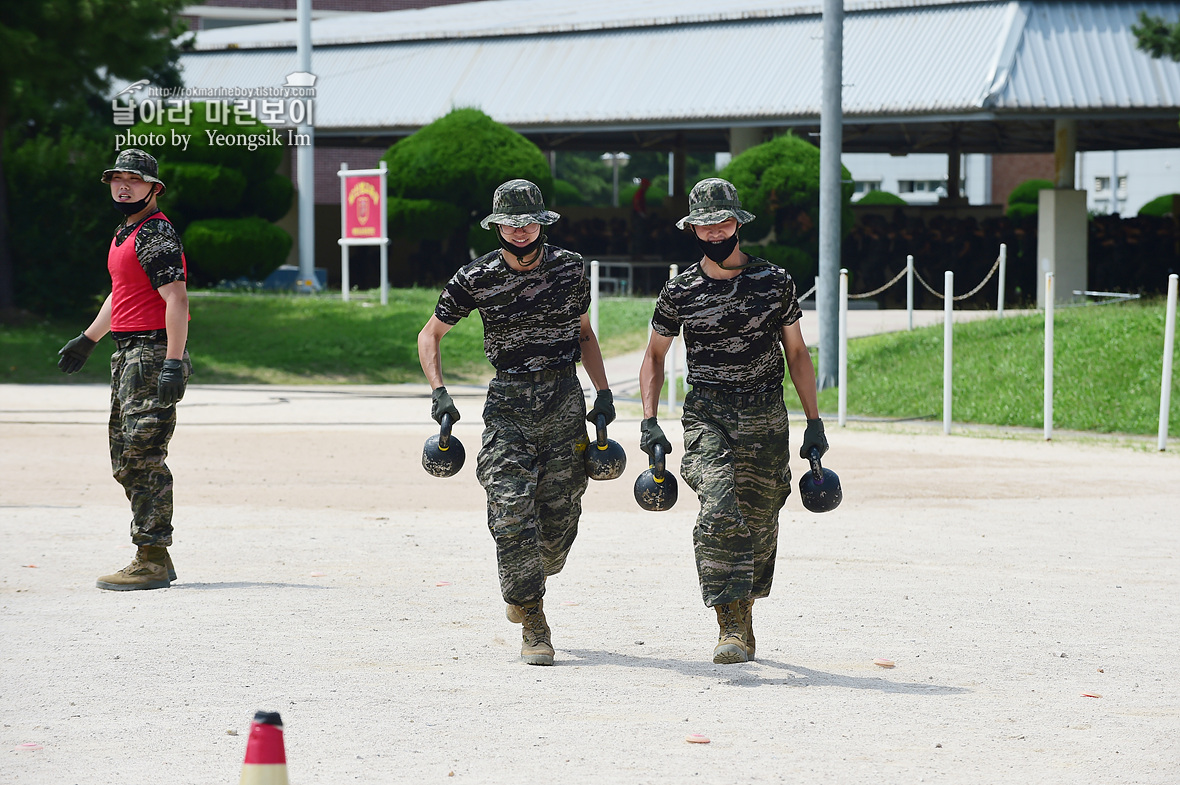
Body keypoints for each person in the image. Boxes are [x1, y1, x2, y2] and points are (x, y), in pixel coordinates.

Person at [417, 179, 614, 666]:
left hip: (564, 399)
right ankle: (533, 619)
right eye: (511, 223)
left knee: (557, 528)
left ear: (540, 223)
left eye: (528, 223)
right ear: (497, 226)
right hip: (507, 403)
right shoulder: (476, 277)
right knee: (510, 511)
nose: (520, 232)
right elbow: (430, 335)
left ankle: (529, 578)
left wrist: (604, 393)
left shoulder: (571, 268)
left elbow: (584, 334)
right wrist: (439, 393)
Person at [638, 177, 827, 664]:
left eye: (722, 222)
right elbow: (655, 356)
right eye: (705, 226)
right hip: (708, 414)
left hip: (765, 413)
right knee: (719, 508)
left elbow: (798, 352)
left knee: (761, 521)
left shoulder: (774, 281)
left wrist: (814, 422)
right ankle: (728, 623)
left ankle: (744, 612)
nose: (715, 232)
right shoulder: (680, 290)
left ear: (737, 223)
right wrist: (648, 421)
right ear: (693, 231)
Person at [56, 148, 191, 591]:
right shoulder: (124, 233)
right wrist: (89, 338)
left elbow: (176, 299)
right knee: (123, 456)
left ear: (155, 188)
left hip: (151, 354)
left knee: (143, 454)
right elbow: (121, 294)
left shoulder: (155, 234)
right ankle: (157, 554)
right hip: (127, 354)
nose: (123, 185)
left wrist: (172, 362)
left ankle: (150, 557)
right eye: (116, 179)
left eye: (133, 179)